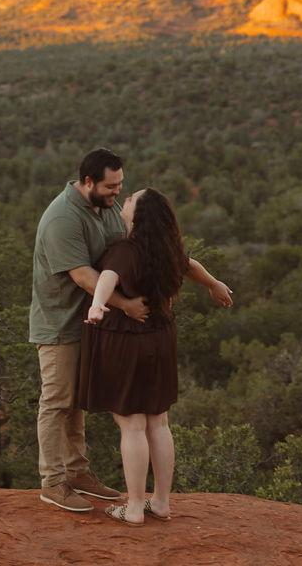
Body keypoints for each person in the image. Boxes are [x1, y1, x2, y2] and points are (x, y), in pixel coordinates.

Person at [79, 186, 233, 525]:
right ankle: (161, 501)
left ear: (139, 214)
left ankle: (134, 507)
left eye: (132, 198)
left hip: (129, 339)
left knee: (132, 423)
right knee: (158, 420)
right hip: (161, 338)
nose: (127, 200)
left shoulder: (126, 249)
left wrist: (98, 304)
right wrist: (214, 284)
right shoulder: (166, 250)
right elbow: (190, 265)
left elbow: (107, 277)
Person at [30, 148, 150, 512]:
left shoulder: (107, 206)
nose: (117, 193)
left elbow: (125, 247)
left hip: (90, 322)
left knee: (76, 402)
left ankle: (78, 473)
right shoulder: (62, 219)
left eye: (120, 186)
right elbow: (83, 276)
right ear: (87, 182)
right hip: (58, 323)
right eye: (111, 186)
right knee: (56, 401)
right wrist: (126, 304)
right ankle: (52, 482)